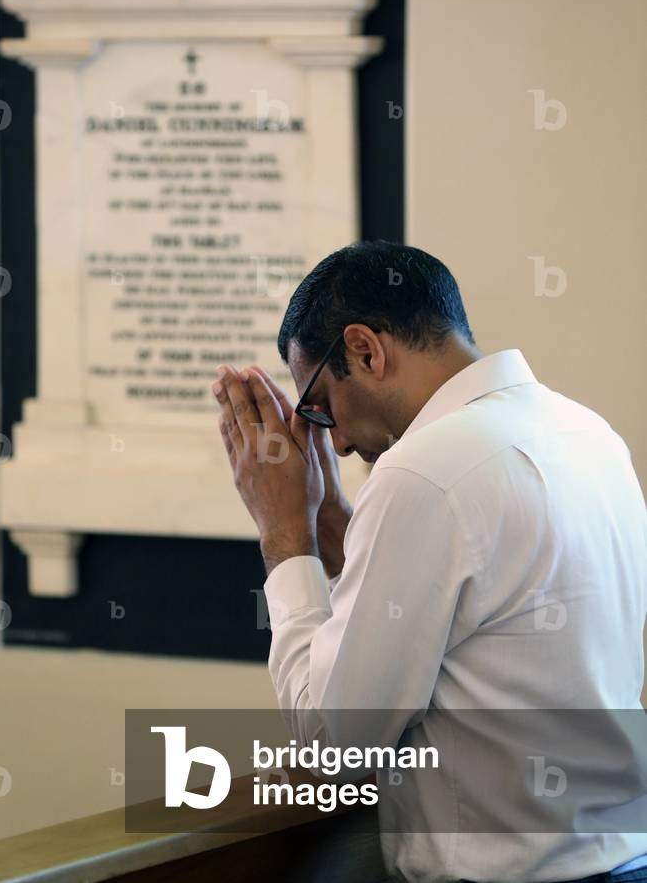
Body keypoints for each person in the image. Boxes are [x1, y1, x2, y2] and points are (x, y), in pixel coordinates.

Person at [211, 240, 647, 883]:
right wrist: (332, 520)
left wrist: (284, 537)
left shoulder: (422, 471)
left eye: (319, 404)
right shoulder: (585, 432)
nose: (331, 436)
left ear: (365, 350)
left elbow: (334, 749)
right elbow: (462, 614)